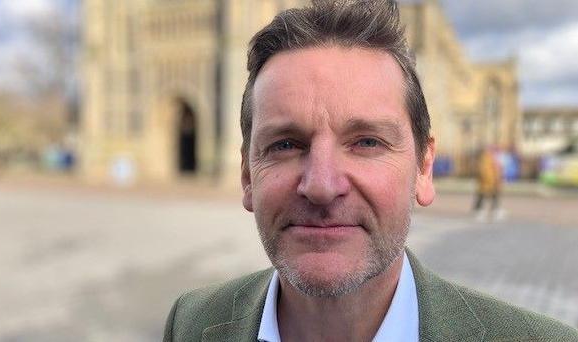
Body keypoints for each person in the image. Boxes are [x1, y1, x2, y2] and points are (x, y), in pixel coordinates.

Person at [163, 1, 578, 341]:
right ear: (247, 175)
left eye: (366, 142)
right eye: (286, 145)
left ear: (423, 167)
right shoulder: (191, 323)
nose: (322, 185)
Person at [473, 146, 504, 221]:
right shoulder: (486, 159)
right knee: (483, 196)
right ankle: (480, 212)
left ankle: (495, 210)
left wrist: (497, 178)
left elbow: (495, 170)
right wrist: (492, 179)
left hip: (490, 182)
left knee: (492, 196)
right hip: (487, 182)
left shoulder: (489, 159)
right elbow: (484, 171)